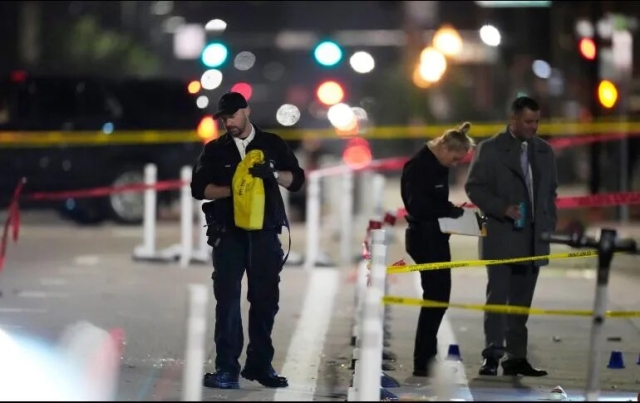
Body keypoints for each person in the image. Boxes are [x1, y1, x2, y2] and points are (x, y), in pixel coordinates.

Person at [190, 92, 305, 389]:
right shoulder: (215, 150)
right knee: (227, 301)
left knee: (265, 300)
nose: (229, 123)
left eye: (233, 116)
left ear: (247, 111)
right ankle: (227, 368)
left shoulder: (272, 144)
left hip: (265, 233)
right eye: (224, 118)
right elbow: (199, 189)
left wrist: (273, 174)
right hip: (229, 234)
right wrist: (236, 188)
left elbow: (297, 181)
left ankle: (260, 365)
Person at [465, 96, 557, 377]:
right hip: (502, 237)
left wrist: (549, 222)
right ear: (513, 120)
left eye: (537, 121)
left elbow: (551, 192)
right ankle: (492, 355)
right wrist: (502, 208)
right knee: (498, 301)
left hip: (533, 239)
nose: (534, 127)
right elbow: (474, 188)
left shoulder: (544, 151)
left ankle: (516, 358)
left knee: (521, 304)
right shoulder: (490, 149)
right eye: (529, 121)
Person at [401, 122, 475, 377]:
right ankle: (423, 361)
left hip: (436, 237)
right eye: (454, 158)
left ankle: (426, 358)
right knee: (435, 298)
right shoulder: (418, 167)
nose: (455, 164)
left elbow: (434, 203)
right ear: (443, 147)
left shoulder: (438, 165)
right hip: (424, 239)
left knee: (438, 299)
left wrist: (451, 211)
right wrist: (449, 210)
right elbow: (417, 207)